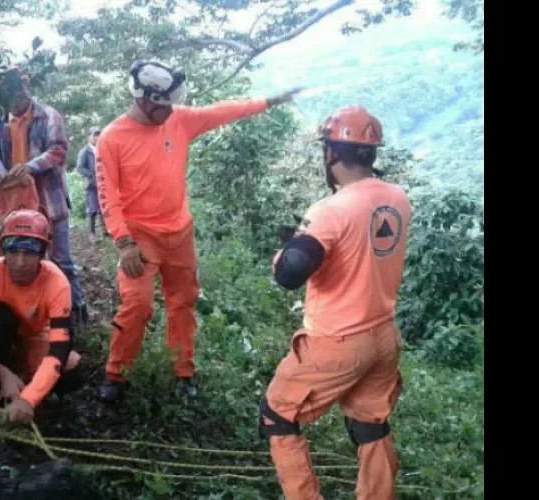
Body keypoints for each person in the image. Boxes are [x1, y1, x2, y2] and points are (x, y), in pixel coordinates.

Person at [94, 60, 302, 402]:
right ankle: (116, 375)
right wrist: (124, 242)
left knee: (183, 302)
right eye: (164, 105)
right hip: (139, 236)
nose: (171, 111)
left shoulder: (178, 120)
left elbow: (222, 111)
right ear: (145, 101)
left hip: (179, 233)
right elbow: (108, 195)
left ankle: (183, 373)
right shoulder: (112, 138)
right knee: (137, 304)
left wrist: (269, 101)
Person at [259, 106, 411, 500]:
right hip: (383, 336)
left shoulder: (331, 210)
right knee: (369, 424)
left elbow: (289, 274)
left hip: (337, 341)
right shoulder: (397, 198)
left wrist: (286, 249)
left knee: (278, 414)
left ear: (331, 153)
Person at [0, 209, 83, 424]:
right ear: (3, 250)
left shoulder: (56, 283)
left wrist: (29, 399)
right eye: (13, 252)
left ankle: (28, 389)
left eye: (29, 253)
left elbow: (60, 349)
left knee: (72, 375)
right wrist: (2, 373)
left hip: (34, 338)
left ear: (42, 254)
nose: (20, 262)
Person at [0, 67, 89, 326]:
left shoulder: (49, 115)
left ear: (25, 91)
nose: (14, 104)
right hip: (14, 202)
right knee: (20, 255)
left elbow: (58, 150)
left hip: (49, 201)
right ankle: (32, 315)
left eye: (17, 97)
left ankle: (74, 312)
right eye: (8, 99)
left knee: (61, 259)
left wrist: (30, 166)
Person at [76, 126, 102, 243]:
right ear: (89, 136)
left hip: (102, 183)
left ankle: (105, 233)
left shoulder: (101, 149)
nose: (97, 137)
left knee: (103, 208)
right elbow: (80, 168)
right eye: (94, 135)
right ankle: (91, 235)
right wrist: (91, 175)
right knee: (91, 210)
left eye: (98, 135)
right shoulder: (84, 151)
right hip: (91, 184)